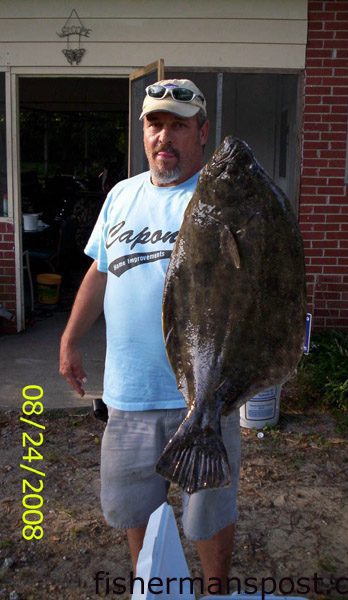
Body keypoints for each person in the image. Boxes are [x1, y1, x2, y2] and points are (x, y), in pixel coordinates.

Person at [59, 79, 241, 593]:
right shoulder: (121, 195)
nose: (165, 136)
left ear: (201, 133)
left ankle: (215, 592)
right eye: (155, 124)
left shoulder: (223, 199)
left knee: (209, 510)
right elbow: (99, 272)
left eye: (178, 125)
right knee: (138, 510)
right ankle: (153, 587)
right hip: (129, 394)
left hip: (203, 396)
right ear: (143, 132)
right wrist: (70, 339)